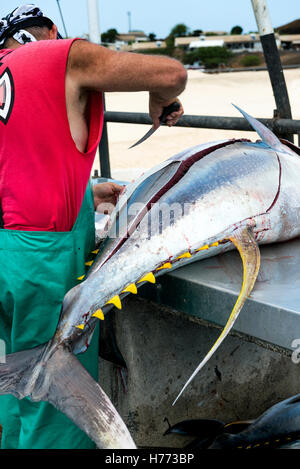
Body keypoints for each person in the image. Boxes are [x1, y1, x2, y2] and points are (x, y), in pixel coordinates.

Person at [0, 4, 186, 449]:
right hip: (42, 259)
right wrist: (160, 101)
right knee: (56, 396)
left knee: (17, 377)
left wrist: (87, 195)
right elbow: (171, 74)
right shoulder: (56, 56)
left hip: (9, 253)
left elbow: (18, 165)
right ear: (49, 32)